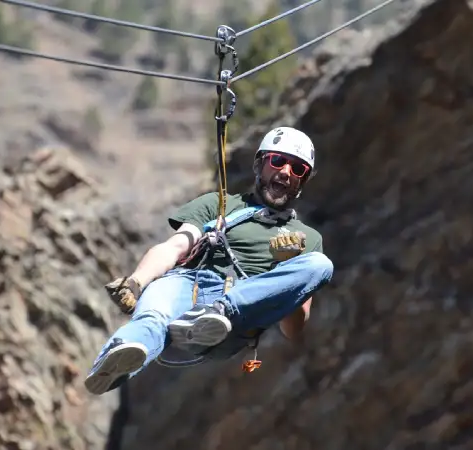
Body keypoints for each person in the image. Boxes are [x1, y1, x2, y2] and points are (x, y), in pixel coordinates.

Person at [83, 126, 334, 396]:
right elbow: (177, 245)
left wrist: (288, 269)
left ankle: (219, 312)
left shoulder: (306, 239)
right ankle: (114, 362)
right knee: (153, 315)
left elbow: (293, 329)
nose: (285, 172)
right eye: (278, 161)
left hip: (240, 311)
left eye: (298, 169)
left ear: (303, 181)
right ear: (260, 163)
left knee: (320, 265)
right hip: (188, 286)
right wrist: (137, 281)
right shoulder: (219, 204)